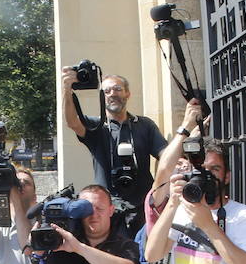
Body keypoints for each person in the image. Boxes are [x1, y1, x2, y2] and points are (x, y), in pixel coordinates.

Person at [144, 107, 246, 264]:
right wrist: (173, 202)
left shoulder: (241, 214)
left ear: (227, 176)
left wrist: (208, 225)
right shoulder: (180, 209)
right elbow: (152, 254)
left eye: (214, 169)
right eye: (201, 170)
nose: (206, 176)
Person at [60, 67, 166, 236]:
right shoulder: (96, 126)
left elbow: (165, 155)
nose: (112, 94)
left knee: (144, 257)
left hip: (142, 208)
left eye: (117, 89)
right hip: (108, 211)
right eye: (107, 91)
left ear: (127, 94)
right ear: (102, 97)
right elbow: (72, 121)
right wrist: (66, 89)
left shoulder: (145, 125)